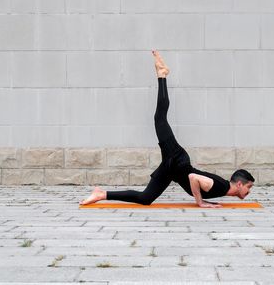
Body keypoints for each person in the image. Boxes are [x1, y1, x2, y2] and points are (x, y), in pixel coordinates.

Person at [79, 50, 255, 208]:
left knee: (145, 198)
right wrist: (200, 202)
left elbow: (195, 180)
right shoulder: (221, 187)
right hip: (177, 160)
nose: (249, 191)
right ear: (239, 184)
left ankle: (101, 194)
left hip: (173, 169)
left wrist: (203, 199)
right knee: (160, 118)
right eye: (249, 187)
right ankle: (161, 75)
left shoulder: (222, 189)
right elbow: (193, 178)